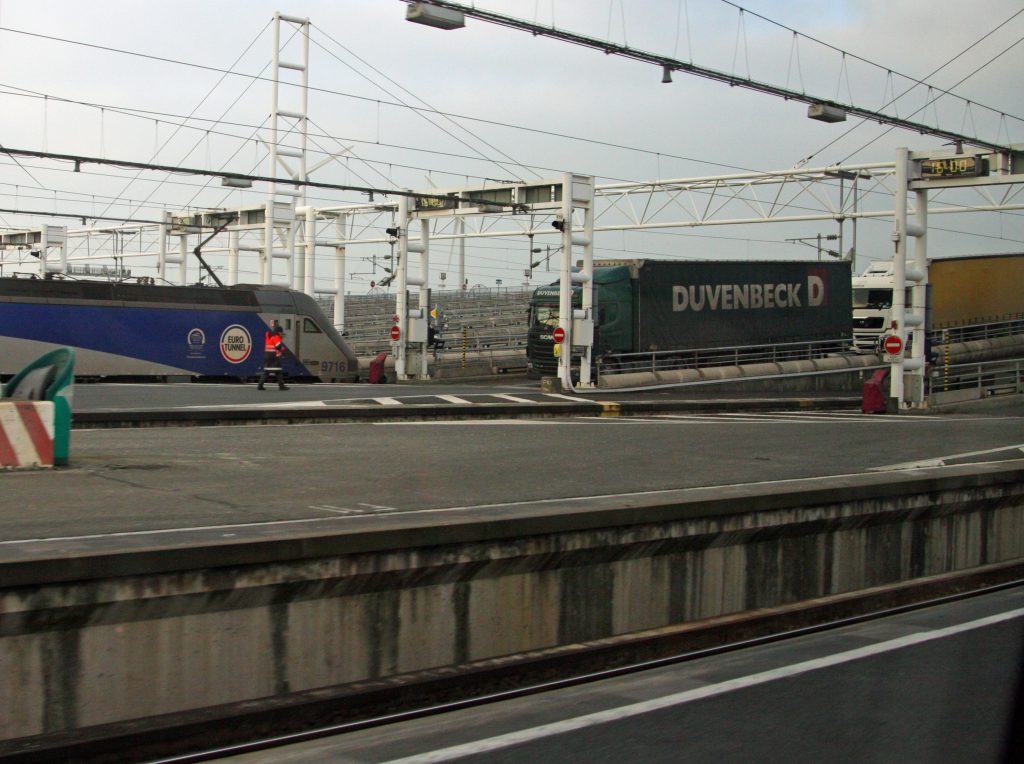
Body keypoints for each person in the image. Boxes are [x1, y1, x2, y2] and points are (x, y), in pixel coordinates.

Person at [257, 321, 289, 390]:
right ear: (278, 332)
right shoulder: (275, 336)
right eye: (281, 332)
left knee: (266, 372)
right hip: (273, 357)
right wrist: (283, 349)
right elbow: (278, 346)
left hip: (267, 356)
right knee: (278, 372)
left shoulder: (269, 336)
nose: (281, 333)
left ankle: (260, 386)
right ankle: (281, 386)